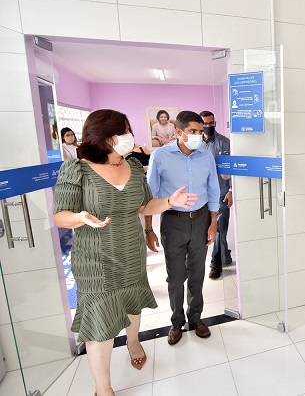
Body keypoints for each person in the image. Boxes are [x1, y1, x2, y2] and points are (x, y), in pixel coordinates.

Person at [53, 109, 198, 396]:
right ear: (104, 136)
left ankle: (133, 341)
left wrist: (170, 201)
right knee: (100, 321)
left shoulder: (132, 165)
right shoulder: (76, 169)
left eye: (128, 131)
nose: (129, 136)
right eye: (123, 131)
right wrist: (80, 217)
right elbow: (60, 216)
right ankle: (103, 387)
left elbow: (145, 206)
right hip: (95, 260)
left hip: (131, 251)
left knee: (132, 301)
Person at [145, 110, 220, 345]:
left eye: (200, 131)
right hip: (173, 222)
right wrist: (148, 229)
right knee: (176, 278)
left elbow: (213, 191)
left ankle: (195, 317)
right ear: (179, 132)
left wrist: (213, 223)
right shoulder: (160, 157)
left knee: (197, 274)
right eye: (193, 131)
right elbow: (149, 197)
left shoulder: (206, 156)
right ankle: (176, 322)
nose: (198, 135)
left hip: (201, 221)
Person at [200, 110, 233, 280]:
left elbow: (232, 169)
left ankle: (216, 264)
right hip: (201, 196)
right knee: (203, 231)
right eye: (205, 123)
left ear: (215, 123)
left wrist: (231, 190)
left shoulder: (224, 143)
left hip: (221, 193)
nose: (208, 126)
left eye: (211, 123)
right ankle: (225, 256)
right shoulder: (195, 144)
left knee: (220, 229)